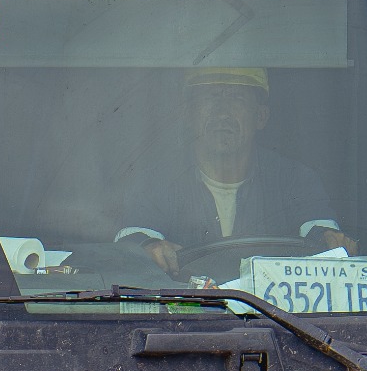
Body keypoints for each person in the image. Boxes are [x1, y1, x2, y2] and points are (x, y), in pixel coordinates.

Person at [115, 66, 345, 276]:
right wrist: (148, 248)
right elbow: (132, 241)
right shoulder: (156, 182)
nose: (223, 112)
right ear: (188, 114)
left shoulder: (295, 179)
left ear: (260, 116)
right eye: (211, 97)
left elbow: (321, 234)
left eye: (238, 98)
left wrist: (328, 239)